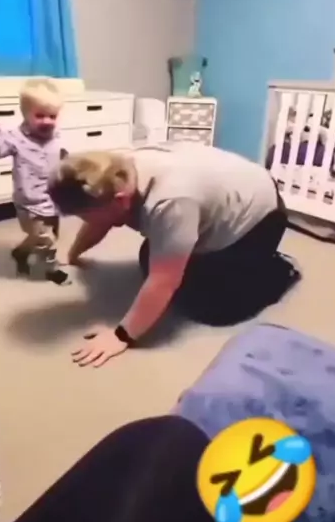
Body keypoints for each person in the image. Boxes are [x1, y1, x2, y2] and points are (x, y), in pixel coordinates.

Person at [48, 142, 301, 366]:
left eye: (85, 216)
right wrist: (74, 254)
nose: (85, 221)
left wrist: (121, 336)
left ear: (121, 200)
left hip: (259, 220)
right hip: (225, 193)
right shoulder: (108, 170)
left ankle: (278, 272)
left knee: (212, 310)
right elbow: (100, 220)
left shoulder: (171, 201)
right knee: (151, 258)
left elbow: (164, 281)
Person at [0, 78, 71, 286]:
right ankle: (49, 270)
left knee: (47, 235)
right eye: (39, 115)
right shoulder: (15, 138)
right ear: (25, 113)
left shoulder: (56, 137)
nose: (47, 121)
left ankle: (20, 252)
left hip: (52, 200)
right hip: (30, 202)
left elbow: (64, 160)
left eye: (52, 116)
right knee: (46, 239)